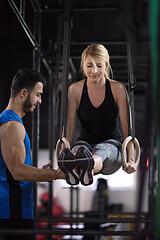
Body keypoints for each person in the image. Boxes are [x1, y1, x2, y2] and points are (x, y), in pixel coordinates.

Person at [58, 43, 137, 186]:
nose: (94, 70)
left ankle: (88, 165)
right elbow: (68, 128)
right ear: (83, 66)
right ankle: (78, 168)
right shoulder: (74, 90)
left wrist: (130, 159)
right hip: (85, 143)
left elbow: (127, 128)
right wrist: (63, 157)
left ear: (106, 66)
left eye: (99, 66)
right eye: (89, 66)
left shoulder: (117, 89)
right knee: (78, 150)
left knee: (101, 150)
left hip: (111, 147)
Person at [0, 69, 65, 240]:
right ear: (23, 93)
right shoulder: (12, 124)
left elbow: (11, 168)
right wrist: (57, 174)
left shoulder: (11, 122)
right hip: (12, 213)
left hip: (16, 212)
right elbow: (17, 171)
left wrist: (37, 172)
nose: (40, 100)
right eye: (38, 95)